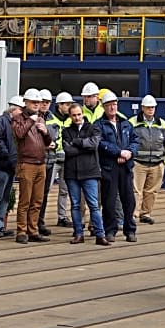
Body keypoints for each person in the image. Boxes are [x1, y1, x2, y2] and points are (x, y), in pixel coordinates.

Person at [61, 103, 109, 246]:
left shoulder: (93, 128)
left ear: (82, 114)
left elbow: (94, 144)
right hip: (72, 173)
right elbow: (68, 150)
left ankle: (100, 235)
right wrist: (84, 146)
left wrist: (76, 142)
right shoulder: (66, 131)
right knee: (75, 205)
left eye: (78, 114)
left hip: (90, 172)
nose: (76, 117)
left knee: (93, 205)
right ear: (70, 116)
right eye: (73, 115)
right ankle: (78, 233)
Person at [96, 91, 139, 243]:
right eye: (109, 105)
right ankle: (110, 230)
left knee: (129, 200)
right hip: (109, 167)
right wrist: (118, 152)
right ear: (104, 107)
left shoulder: (126, 123)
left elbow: (135, 140)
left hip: (126, 167)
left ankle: (130, 230)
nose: (112, 108)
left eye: (114, 104)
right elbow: (100, 143)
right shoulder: (99, 125)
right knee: (109, 200)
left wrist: (129, 153)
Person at [12, 89, 52, 244]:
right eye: (33, 102)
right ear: (26, 103)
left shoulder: (41, 120)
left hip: (40, 163)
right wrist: (32, 121)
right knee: (25, 200)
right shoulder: (18, 118)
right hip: (26, 163)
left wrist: (46, 132)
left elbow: (48, 143)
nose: (37, 104)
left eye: (38, 102)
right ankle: (21, 231)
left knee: (37, 200)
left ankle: (33, 230)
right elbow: (20, 134)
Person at [129, 95, 165, 225]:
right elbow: (128, 141)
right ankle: (132, 215)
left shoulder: (162, 124)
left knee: (152, 191)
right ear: (142, 108)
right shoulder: (132, 123)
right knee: (135, 191)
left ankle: (146, 213)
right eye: (148, 107)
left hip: (157, 163)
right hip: (138, 163)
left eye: (152, 107)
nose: (150, 109)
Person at [0, 96, 23, 239]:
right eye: (21, 109)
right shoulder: (2, 121)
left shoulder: (14, 123)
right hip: (2, 166)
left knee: (5, 198)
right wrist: (9, 155)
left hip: (9, 166)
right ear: (13, 109)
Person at [36, 89, 58, 236]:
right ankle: (31, 224)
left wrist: (55, 144)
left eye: (47, 102)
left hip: (50, 160)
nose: (45, 104)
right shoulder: (32, 117)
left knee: (44, 194)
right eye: (42, 101)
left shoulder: (53, 119)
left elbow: (58, 138)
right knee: (33, 195)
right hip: (37, 160)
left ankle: (40, 222)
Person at [52, 92, 75, 227]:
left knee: (64, 190)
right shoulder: (51, 119)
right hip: (53, 157)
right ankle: (39, 218)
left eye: (70, 104)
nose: (69, 107)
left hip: (67, 157)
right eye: (66, 104)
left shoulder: (70, 120)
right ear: (59, 105)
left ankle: (62, 217)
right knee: (46, 188)